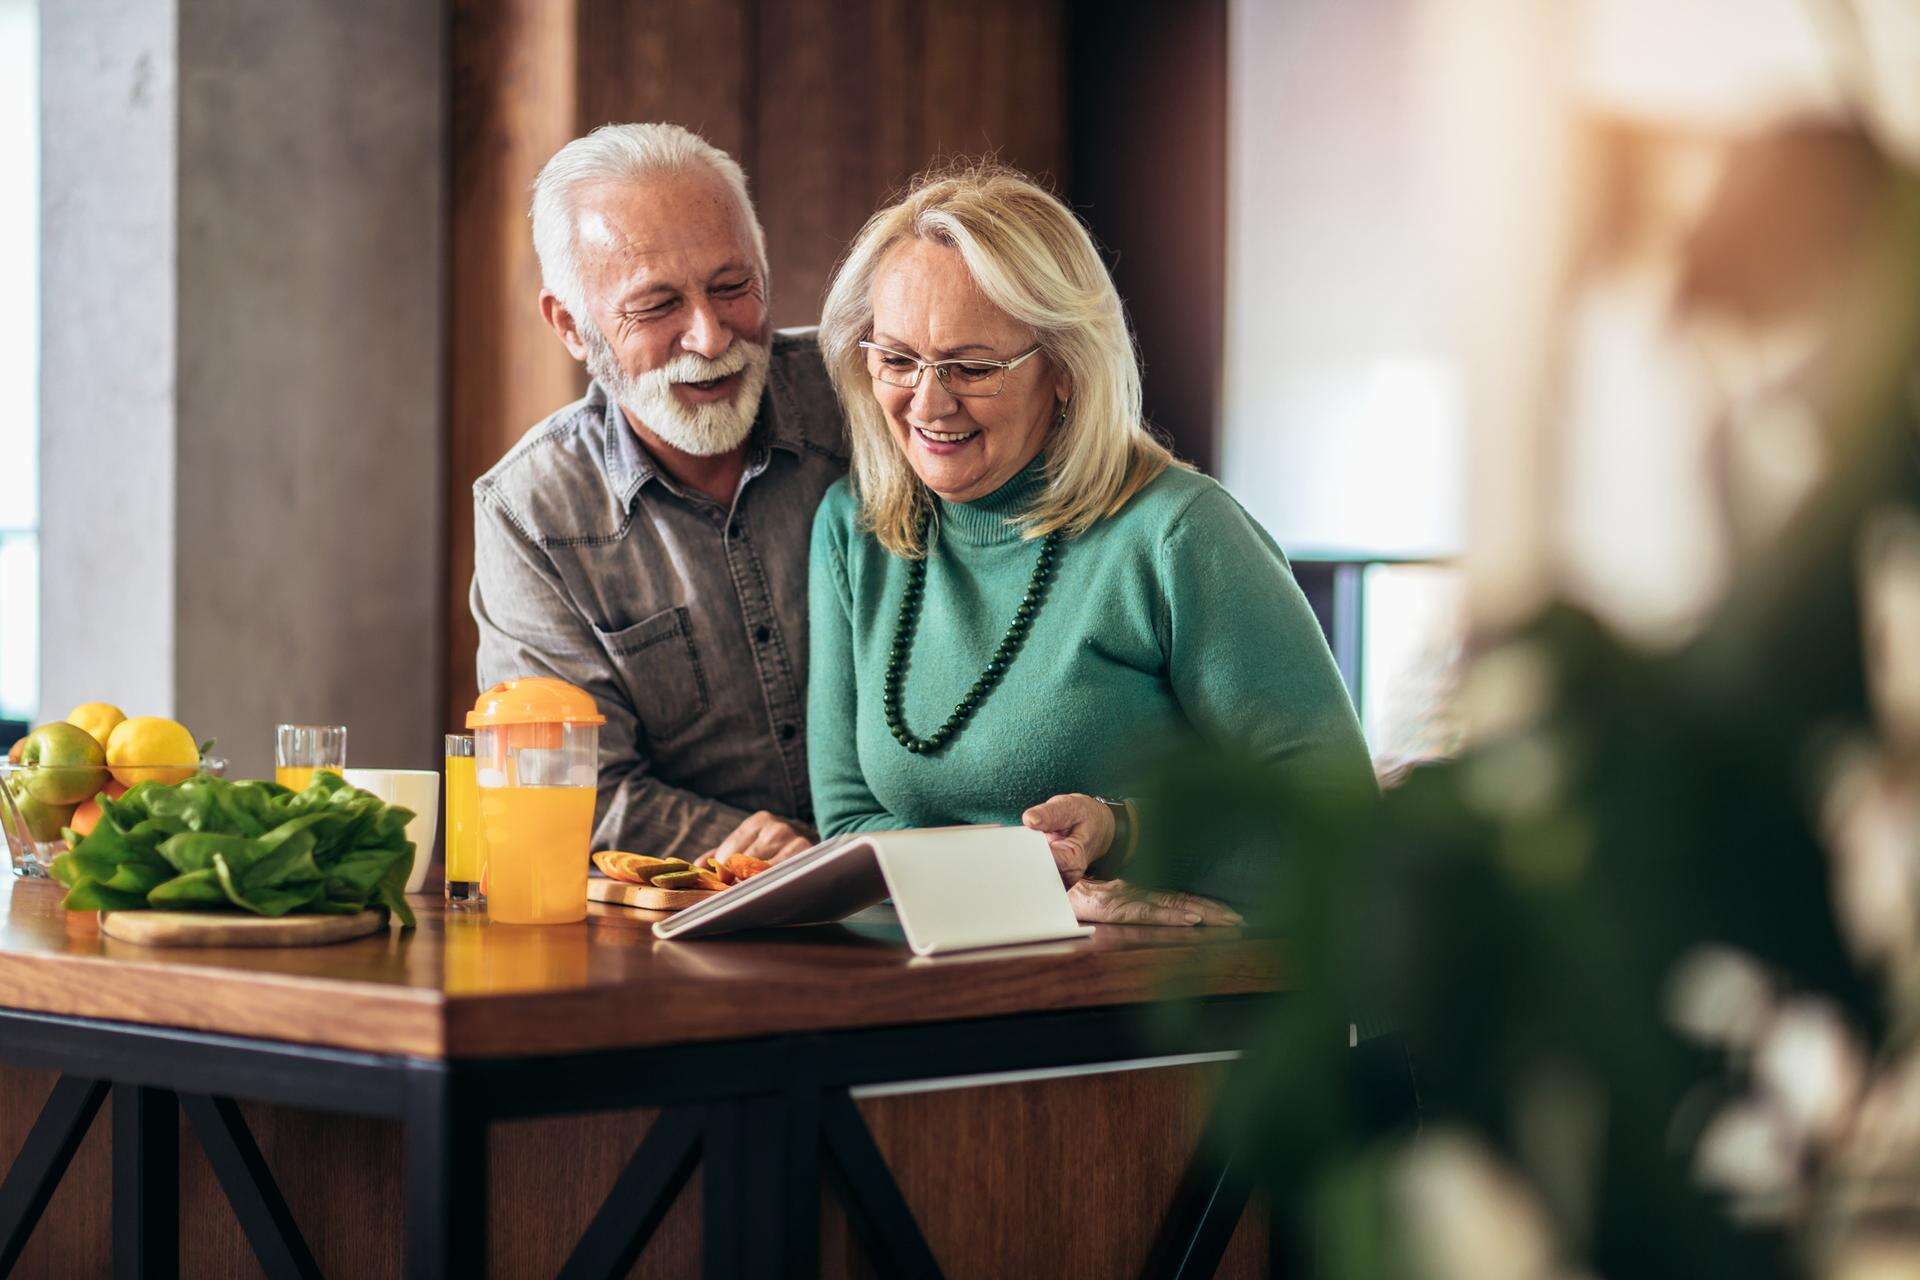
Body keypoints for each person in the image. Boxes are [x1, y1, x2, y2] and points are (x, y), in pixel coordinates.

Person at [808, 162, 1376, 925]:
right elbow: (847, 828)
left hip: (1149, 1002)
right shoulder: (854, 528)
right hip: (925, 987)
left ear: (1067, 369)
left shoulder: (1179, 533)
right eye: (897, 359)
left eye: (973, 367)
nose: (928, 400)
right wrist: (1031, 887)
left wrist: (1124, 835)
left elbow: (1339, 820)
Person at [471, 123, 842, 861]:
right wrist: (760, 853)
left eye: (733, 286)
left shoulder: (868, 399)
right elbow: (569, 788)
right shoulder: (532, 511)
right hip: (688, 924)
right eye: (657, 307)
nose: (710, 337)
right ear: (571, 327)